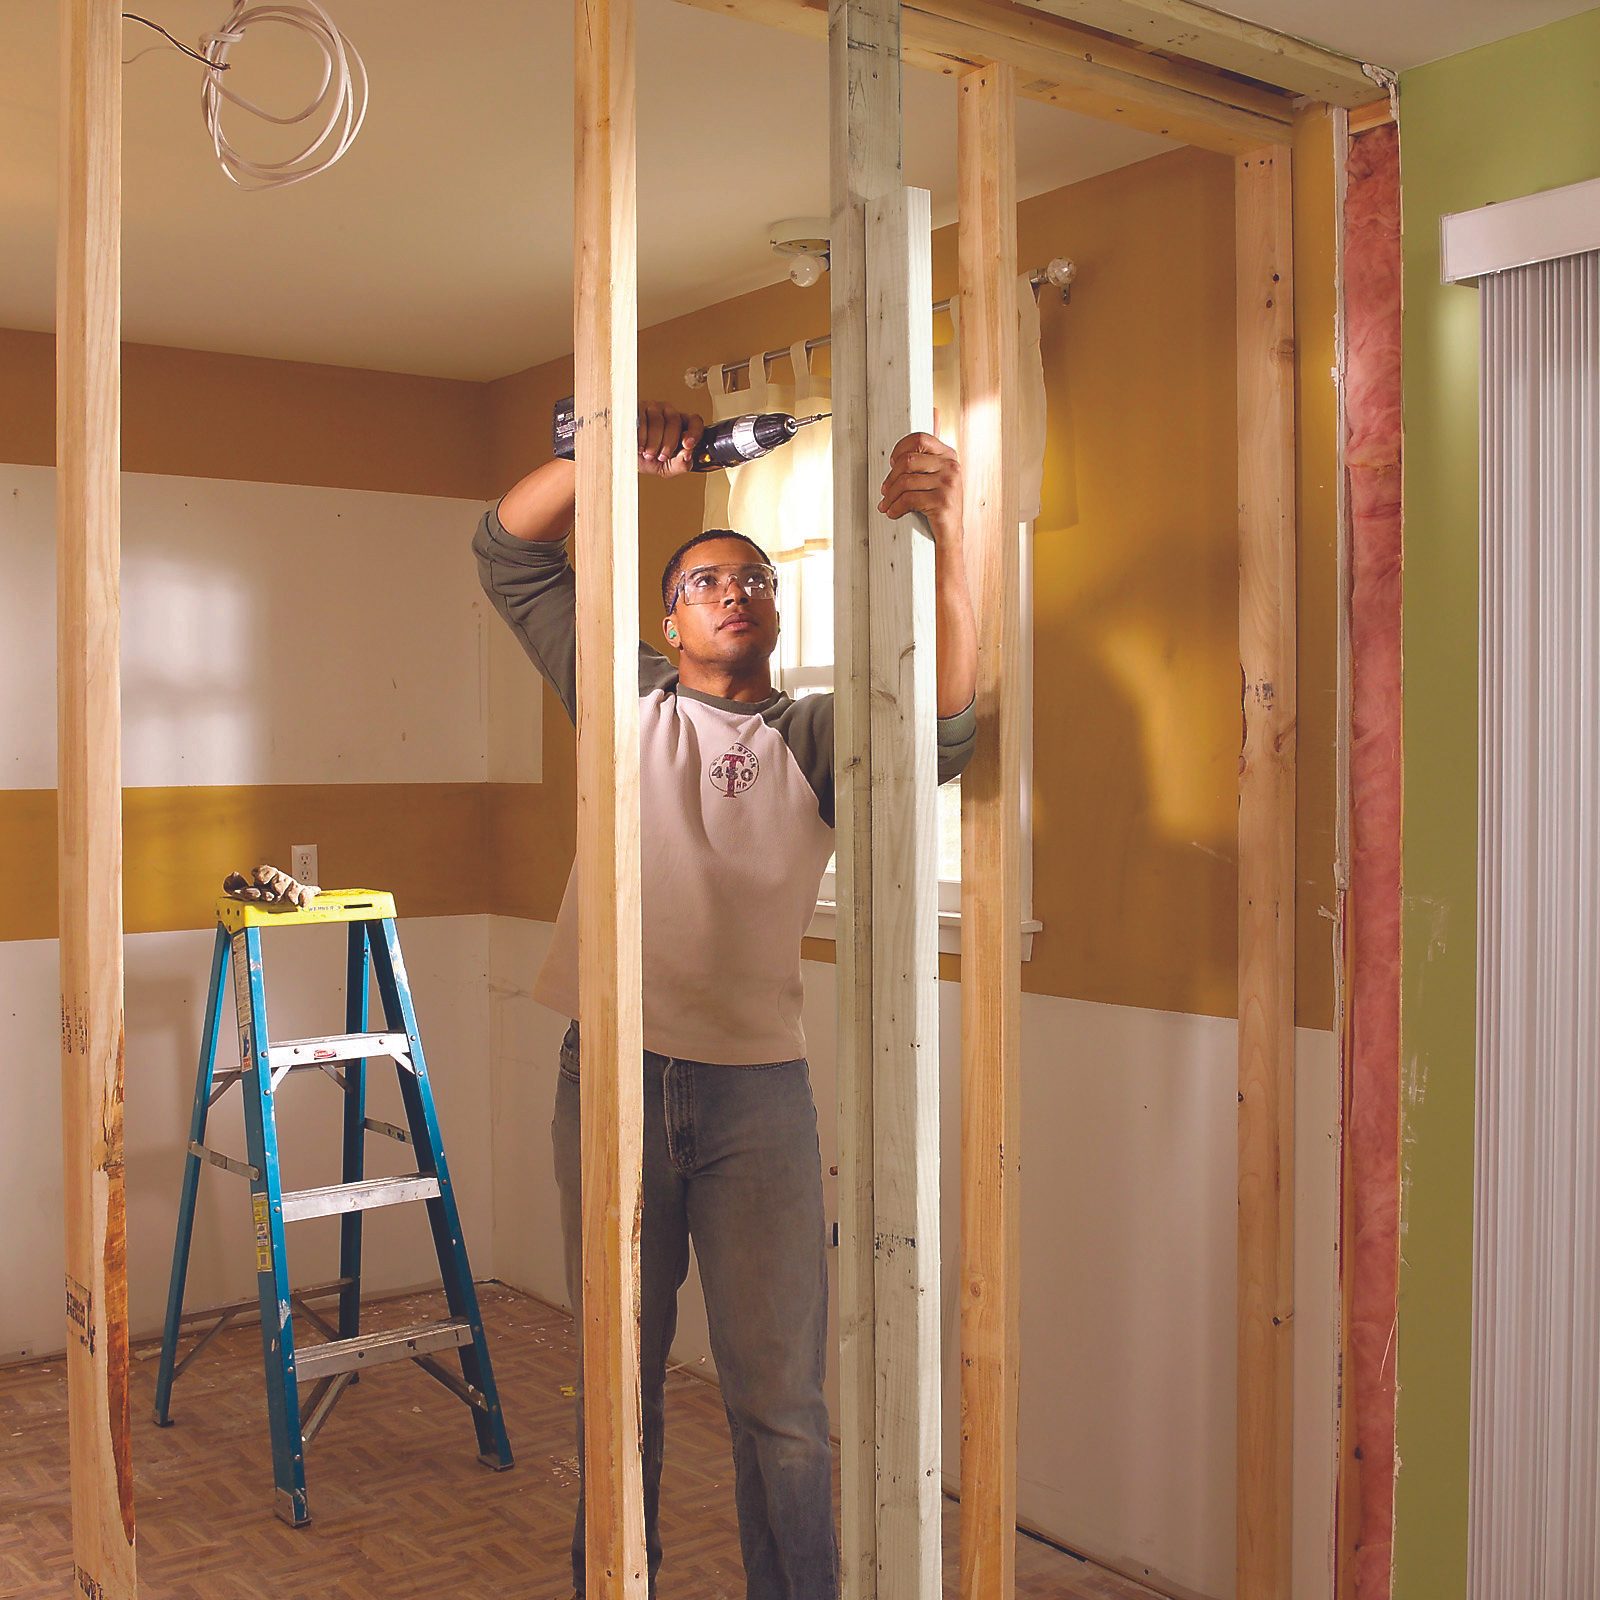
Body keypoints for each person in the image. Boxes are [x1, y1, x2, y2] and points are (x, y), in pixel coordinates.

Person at [473, 400, 977, 1600]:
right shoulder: (626, 699)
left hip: (759, 1103)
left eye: (752, 578)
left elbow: (946, 731)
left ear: (777, 610)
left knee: (782, 1407)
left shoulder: (815, 737)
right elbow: (506, 551)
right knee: (619, 1384)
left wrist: (953, 536)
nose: (731, 592)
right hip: (614, 1076)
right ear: (668, 620)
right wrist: (593, 450)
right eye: (702, 581)